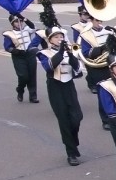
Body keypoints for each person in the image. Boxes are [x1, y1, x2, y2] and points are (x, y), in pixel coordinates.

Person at [36, 26, 84, 166]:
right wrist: (61, 51)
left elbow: (78, 70)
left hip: (69, 85)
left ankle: (72, 142)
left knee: (77, 117)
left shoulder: (70, 50)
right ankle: (70, 153)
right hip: (55, 86)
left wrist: (69, 54)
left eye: (61, 36)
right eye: (56, 37)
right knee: (63, 120)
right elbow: (49, 67)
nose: (60, 39)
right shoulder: (44, 53)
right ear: (49, 40)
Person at [2, 14, 42, 103]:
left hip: (30, 54)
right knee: (23, 76)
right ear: (12, 23)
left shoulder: (27, 30)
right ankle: (20, 90)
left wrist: (24, 18)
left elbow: (34, 27)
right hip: (19, 56)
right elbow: (7, 47)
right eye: (16, 21)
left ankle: (33, 96)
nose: (19, 23)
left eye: (21, 21)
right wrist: (15, 51)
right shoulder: (9, 34)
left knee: (32, 75)